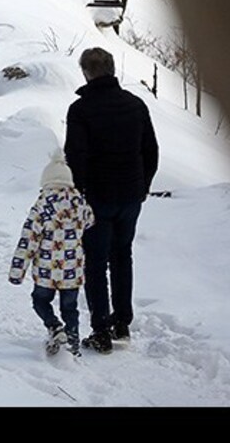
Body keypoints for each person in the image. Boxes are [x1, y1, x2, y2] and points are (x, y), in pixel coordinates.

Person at [64, 47, 159, 353]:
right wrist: (143, 185)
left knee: (95, 263)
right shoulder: (135, 104)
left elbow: (75, 156)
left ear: (86, 73)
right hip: (130, 196)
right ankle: (122, 323)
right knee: (122, 255)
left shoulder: (80, 110)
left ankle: (101, 330)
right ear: (112, 69)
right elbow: (151, 150)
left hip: (97, 197)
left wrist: (78, 193)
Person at [9, 149, 94, 358]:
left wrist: (17, 272)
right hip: (71, 271)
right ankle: (72, 343)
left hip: (46, 271)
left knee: (40, 301)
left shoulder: (42, 206)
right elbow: (90, 220)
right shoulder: (80, 204)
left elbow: (28, 240)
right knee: (70, 308)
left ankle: (54, 327)